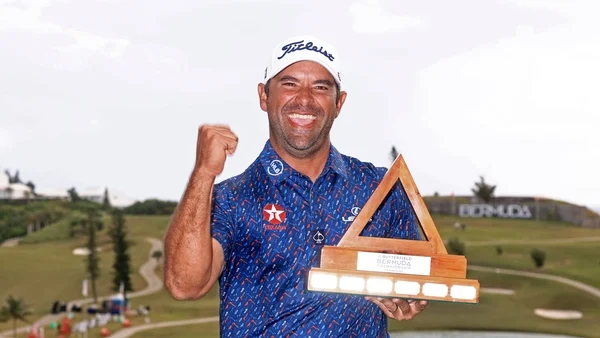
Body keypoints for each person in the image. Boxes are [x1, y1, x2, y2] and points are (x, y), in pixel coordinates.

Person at [164, 35, 429, 337]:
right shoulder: (230, 198)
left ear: (339, 103)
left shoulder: (380, 187)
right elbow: (184, 285)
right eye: (289, 84)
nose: (304, 99)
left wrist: (409, 294)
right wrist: (203, 173)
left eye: (320, 87)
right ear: (264, 96)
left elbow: (416, 272)